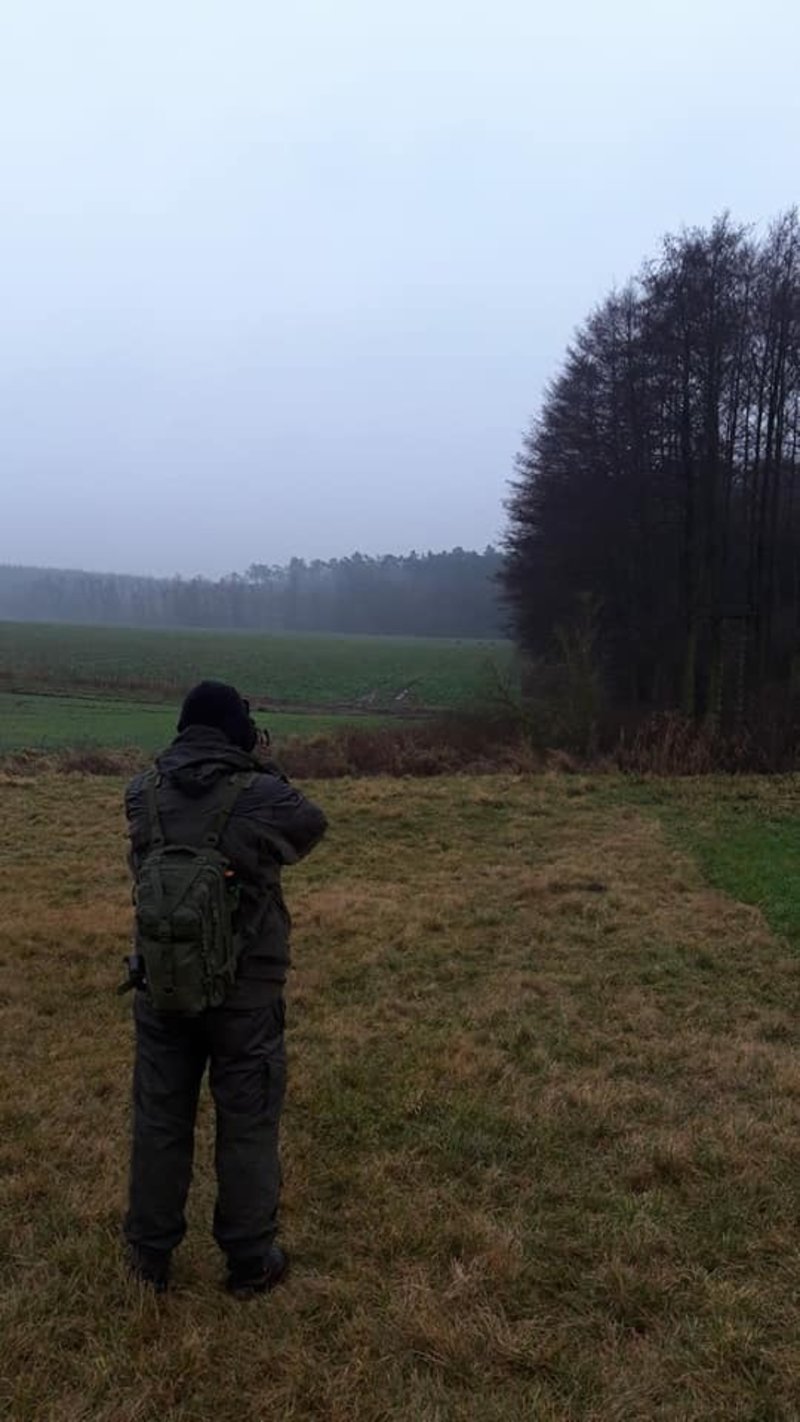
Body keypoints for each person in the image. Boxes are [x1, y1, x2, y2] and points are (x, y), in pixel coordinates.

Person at [122, 679, 327, 1297]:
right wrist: (260, 765)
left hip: (163, 983)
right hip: (247, 992)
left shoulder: (142, 793)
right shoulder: (262, 793)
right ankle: (249, 1260)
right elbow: (309, 825)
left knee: (159, 1119)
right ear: (237, 732)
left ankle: (148, 1259)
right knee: (247, 1121)